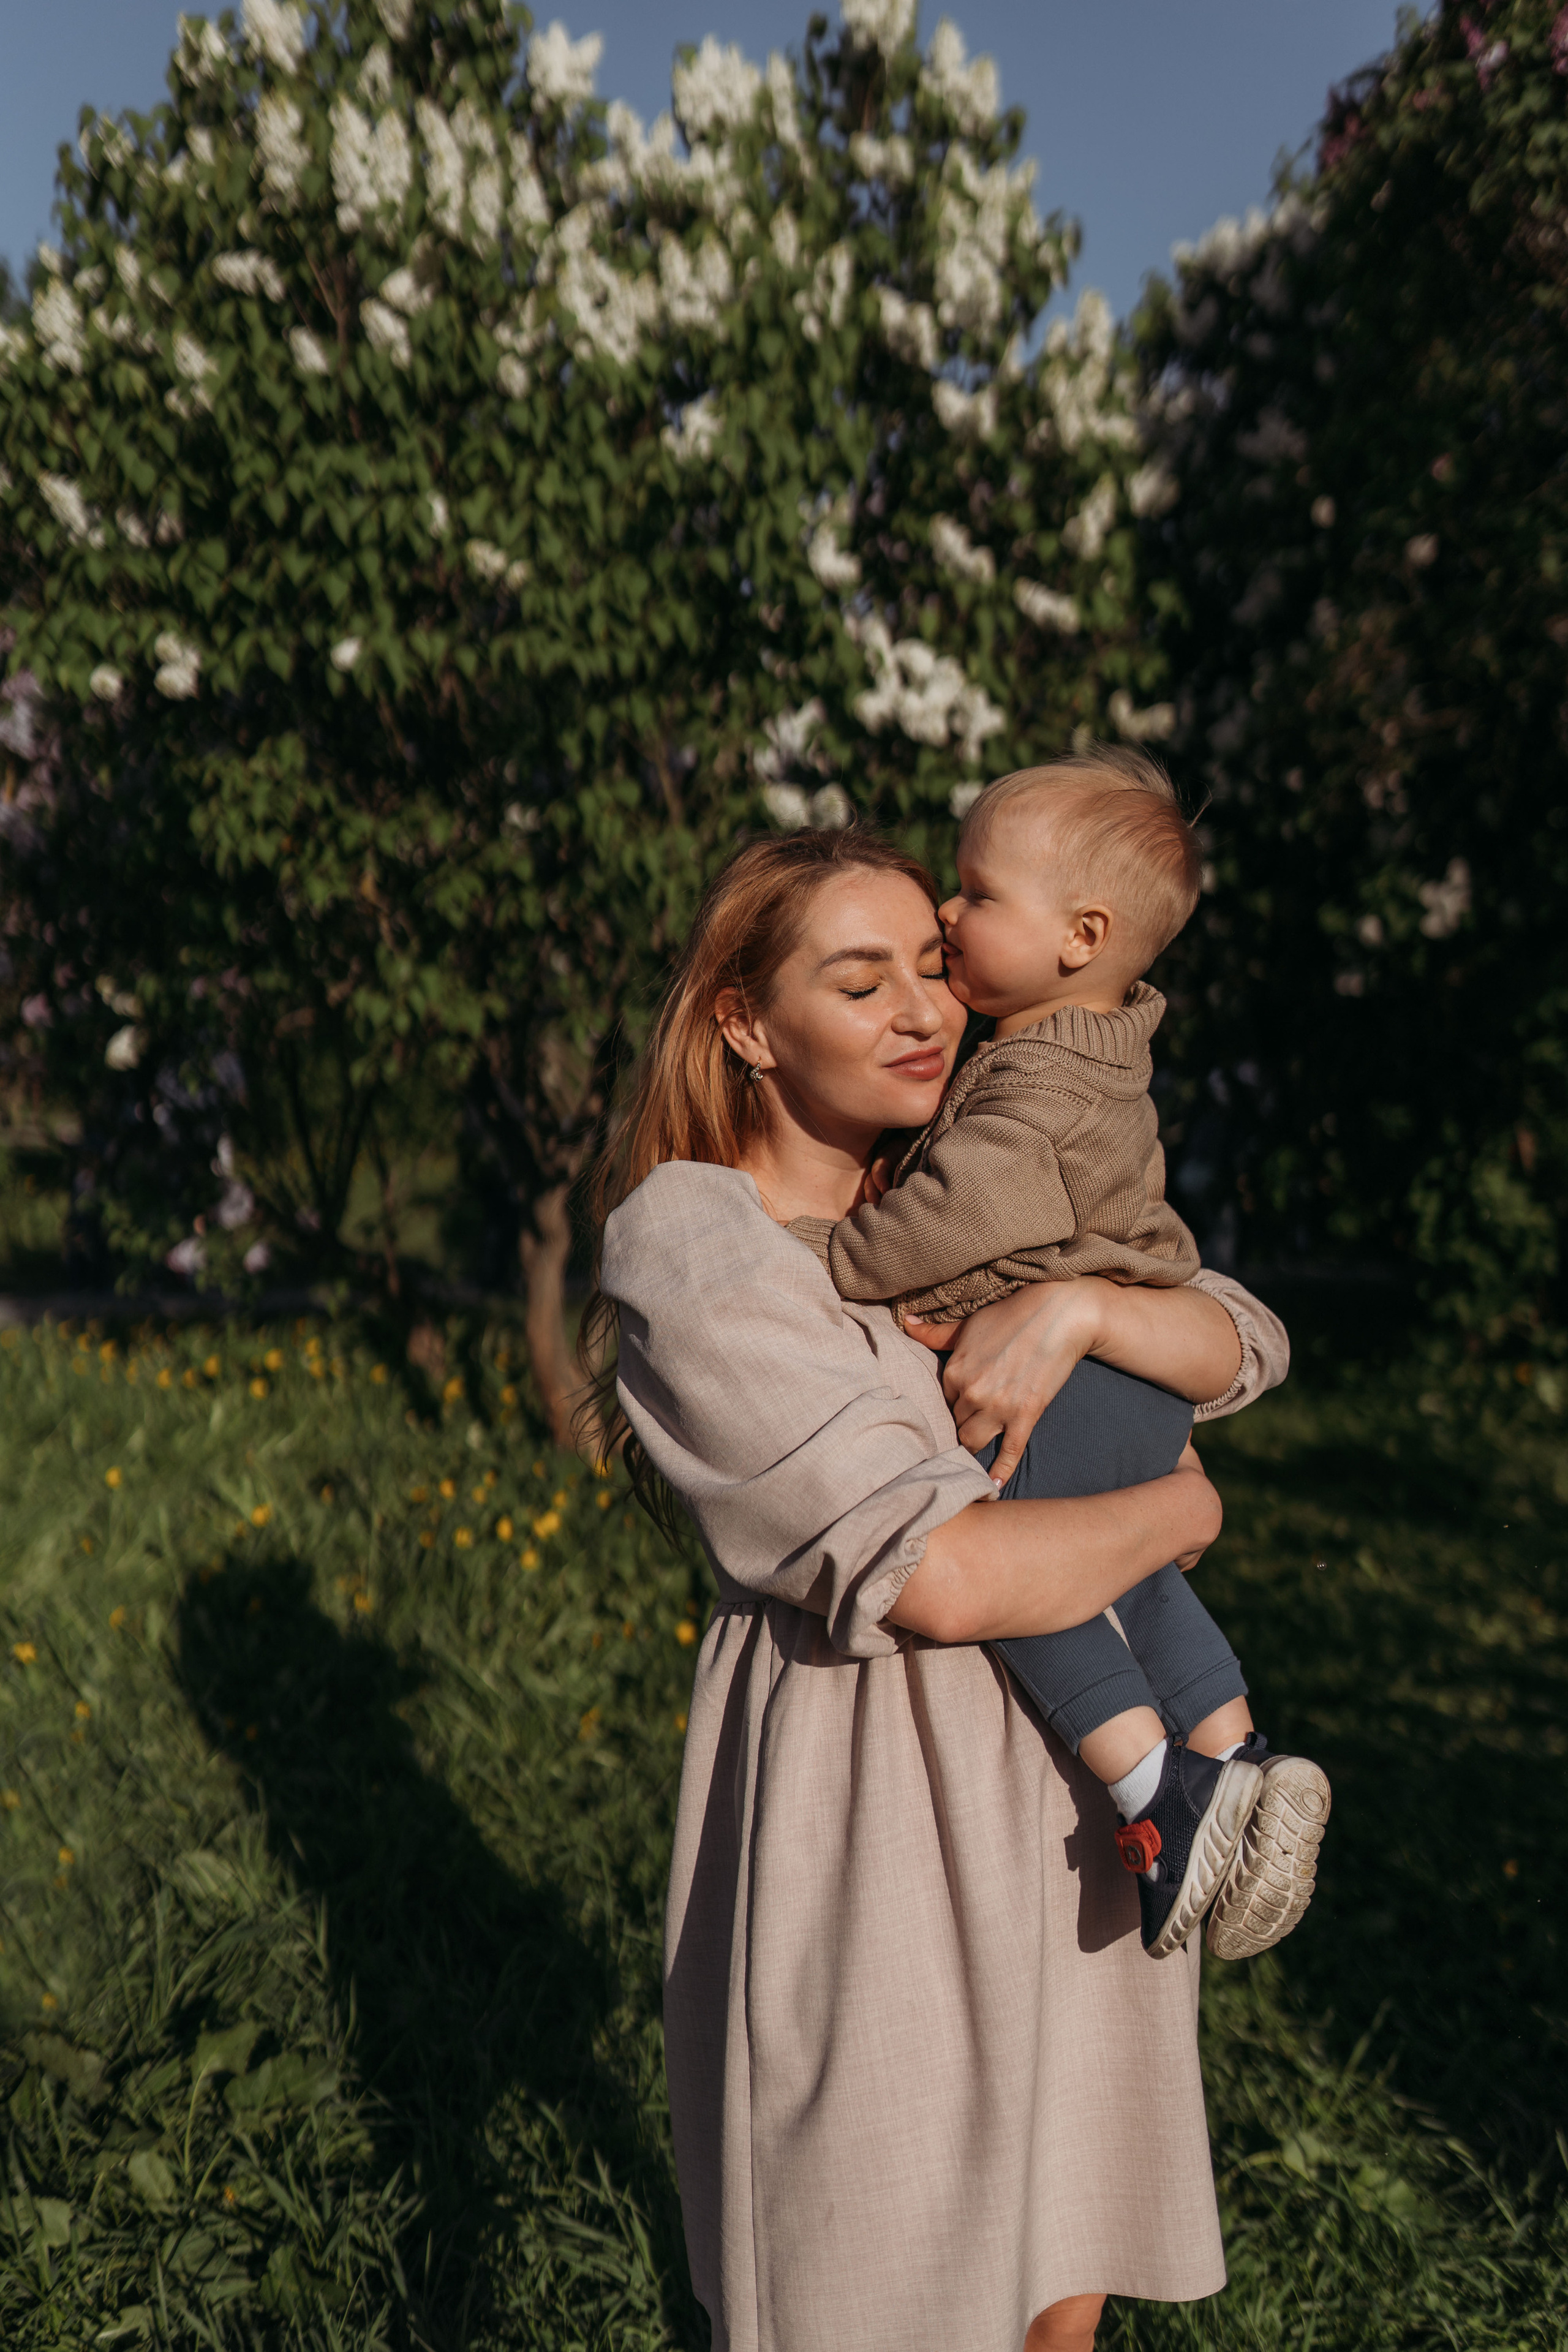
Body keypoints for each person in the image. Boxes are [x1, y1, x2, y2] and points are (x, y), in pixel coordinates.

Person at [586, 828, 1290, 2352]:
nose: (921, 1008)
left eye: (931, 964)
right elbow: (947, 1572)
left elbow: (1242, 1337)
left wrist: (1085, 1306)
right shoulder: (698, 1241)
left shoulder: (972, 1177)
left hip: (1079, 1820)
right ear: (746, 1024)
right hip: (874, 1830)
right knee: (869, 2291)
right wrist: (1179, 1502)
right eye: (860, 980)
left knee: (1055, 2307)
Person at [798, 749, 1330, 1962]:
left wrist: (828, 1248)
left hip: (1075, 1391)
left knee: (1034, 1570)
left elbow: (955, 1223)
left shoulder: (1033, 1081)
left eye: (976, 894)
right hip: (1136, 1387)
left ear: (1081, 934)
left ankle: (1155, 1793)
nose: (946, 908)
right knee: (1138, 1577)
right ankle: (1235, 1754)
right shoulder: (1096, 1049)